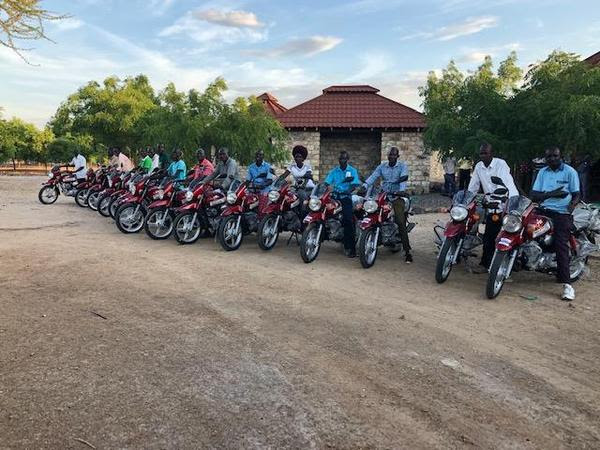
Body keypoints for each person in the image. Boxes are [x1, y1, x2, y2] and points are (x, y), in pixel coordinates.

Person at [531, 147, 580, 301]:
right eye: (549, 156)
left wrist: (572, 204)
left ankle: (567, 285)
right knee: (524, 231)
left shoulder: (570, 172)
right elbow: (534, 195)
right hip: (543, 210)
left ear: (561, 156)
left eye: (555, 156)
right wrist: (552, 194)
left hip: (562, 213)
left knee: (561, 244)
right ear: (545, 158)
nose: (552, 159)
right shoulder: (542, 172)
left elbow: (577, 194)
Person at [468, 142, 519, 273]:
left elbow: (501, 185)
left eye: (486, 153)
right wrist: (467, 199)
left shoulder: (501, 164)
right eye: (481, 153)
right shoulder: (479, 166)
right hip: (493, 205)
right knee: (490, 235)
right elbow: (473, 186)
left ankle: (512, 264)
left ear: (492, 154)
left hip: (509, 201)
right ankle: (485, 264)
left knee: (510, 233)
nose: (483, 156)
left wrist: (495, 201)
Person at [364, 147, 413, 263]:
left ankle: (407, 252)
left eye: (394, 155)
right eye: (390, 155)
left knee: (400, 221)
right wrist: (364, 186)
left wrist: (401, 191)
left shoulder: (402, 167)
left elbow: (403, 179)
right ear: (388, 156)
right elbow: (373, 176)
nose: (392, 157)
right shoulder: (382, 167)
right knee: (369, 211)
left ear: (397, 156)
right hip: (384, 195)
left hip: (397, 196)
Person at [324, 151, 361, 258]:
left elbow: (354, 185)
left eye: (344, 159)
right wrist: (327, 187)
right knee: (322, 210)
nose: (342, 160)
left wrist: (347, 191)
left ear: (347, 159)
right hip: (334, 197)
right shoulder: (334, 171)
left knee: (348, 220)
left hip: (345, 197)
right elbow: (327, 182)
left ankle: (351, 248)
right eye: (340, 159)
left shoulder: (352, 171)